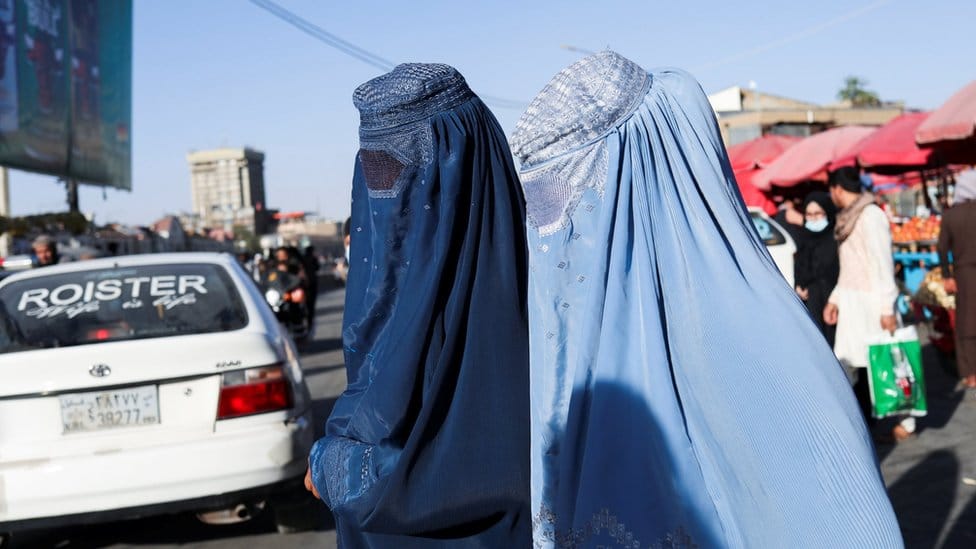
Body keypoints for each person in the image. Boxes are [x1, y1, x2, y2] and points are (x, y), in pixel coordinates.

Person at [509, 51, 901, 548]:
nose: (553, 231)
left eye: (569, 198)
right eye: (539, 205)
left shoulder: (762, 347)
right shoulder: (554, 349)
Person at [304, 63, 531, 547]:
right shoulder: (386, 301)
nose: (388, 192)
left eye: (402, 170)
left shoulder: (538, 303)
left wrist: (329, 466)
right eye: (376, 171)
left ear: (463, 170)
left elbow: (470, 468)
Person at [823, 166, 908, 439]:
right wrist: (835, 299)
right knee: (854, 364)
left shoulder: (871, 216)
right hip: (852, 302)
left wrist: (886, 308)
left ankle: (902, 421)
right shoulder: (848, 218)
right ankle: (864, 424)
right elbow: (850, 267)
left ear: (837, 188)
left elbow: (883, 263)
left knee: (886, 362)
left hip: (872, 303)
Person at [939, 167, 976, 389]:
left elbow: (942, 248)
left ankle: (970, 372)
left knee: (965, 323)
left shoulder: (951, 215)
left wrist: (946, 275)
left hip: (963, 274)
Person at [794, 191, 840, 345]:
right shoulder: (803, 237)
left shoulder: (837, 238)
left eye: (818, 213)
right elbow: (800, 266)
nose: (813, 218)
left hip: (834, 302)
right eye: (809, 214)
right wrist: (799, 285)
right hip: (811, 301)